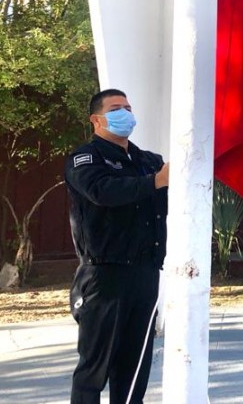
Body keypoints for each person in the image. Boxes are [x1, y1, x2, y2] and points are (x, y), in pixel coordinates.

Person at [64, 88, 170, 404]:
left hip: (146, 271)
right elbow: (102, 191)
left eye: (127, 107)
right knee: (95, 367)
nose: (125, 113)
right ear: (96, 120)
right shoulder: (85, 158)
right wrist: (156, 182)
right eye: (115, 108)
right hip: (104, 273)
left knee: (134, 366)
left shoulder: (147, 161)